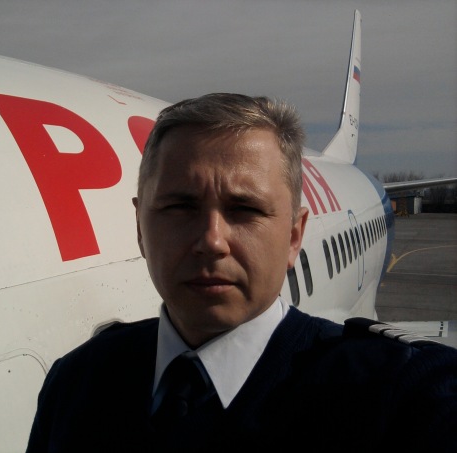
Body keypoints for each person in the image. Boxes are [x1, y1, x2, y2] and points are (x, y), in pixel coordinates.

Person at [26, 93, 457, 452]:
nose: (212, 241)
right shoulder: (74, 384)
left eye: (245, 209)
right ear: (140, 228)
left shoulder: (400, 398)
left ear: (294, 236)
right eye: (180, 207)